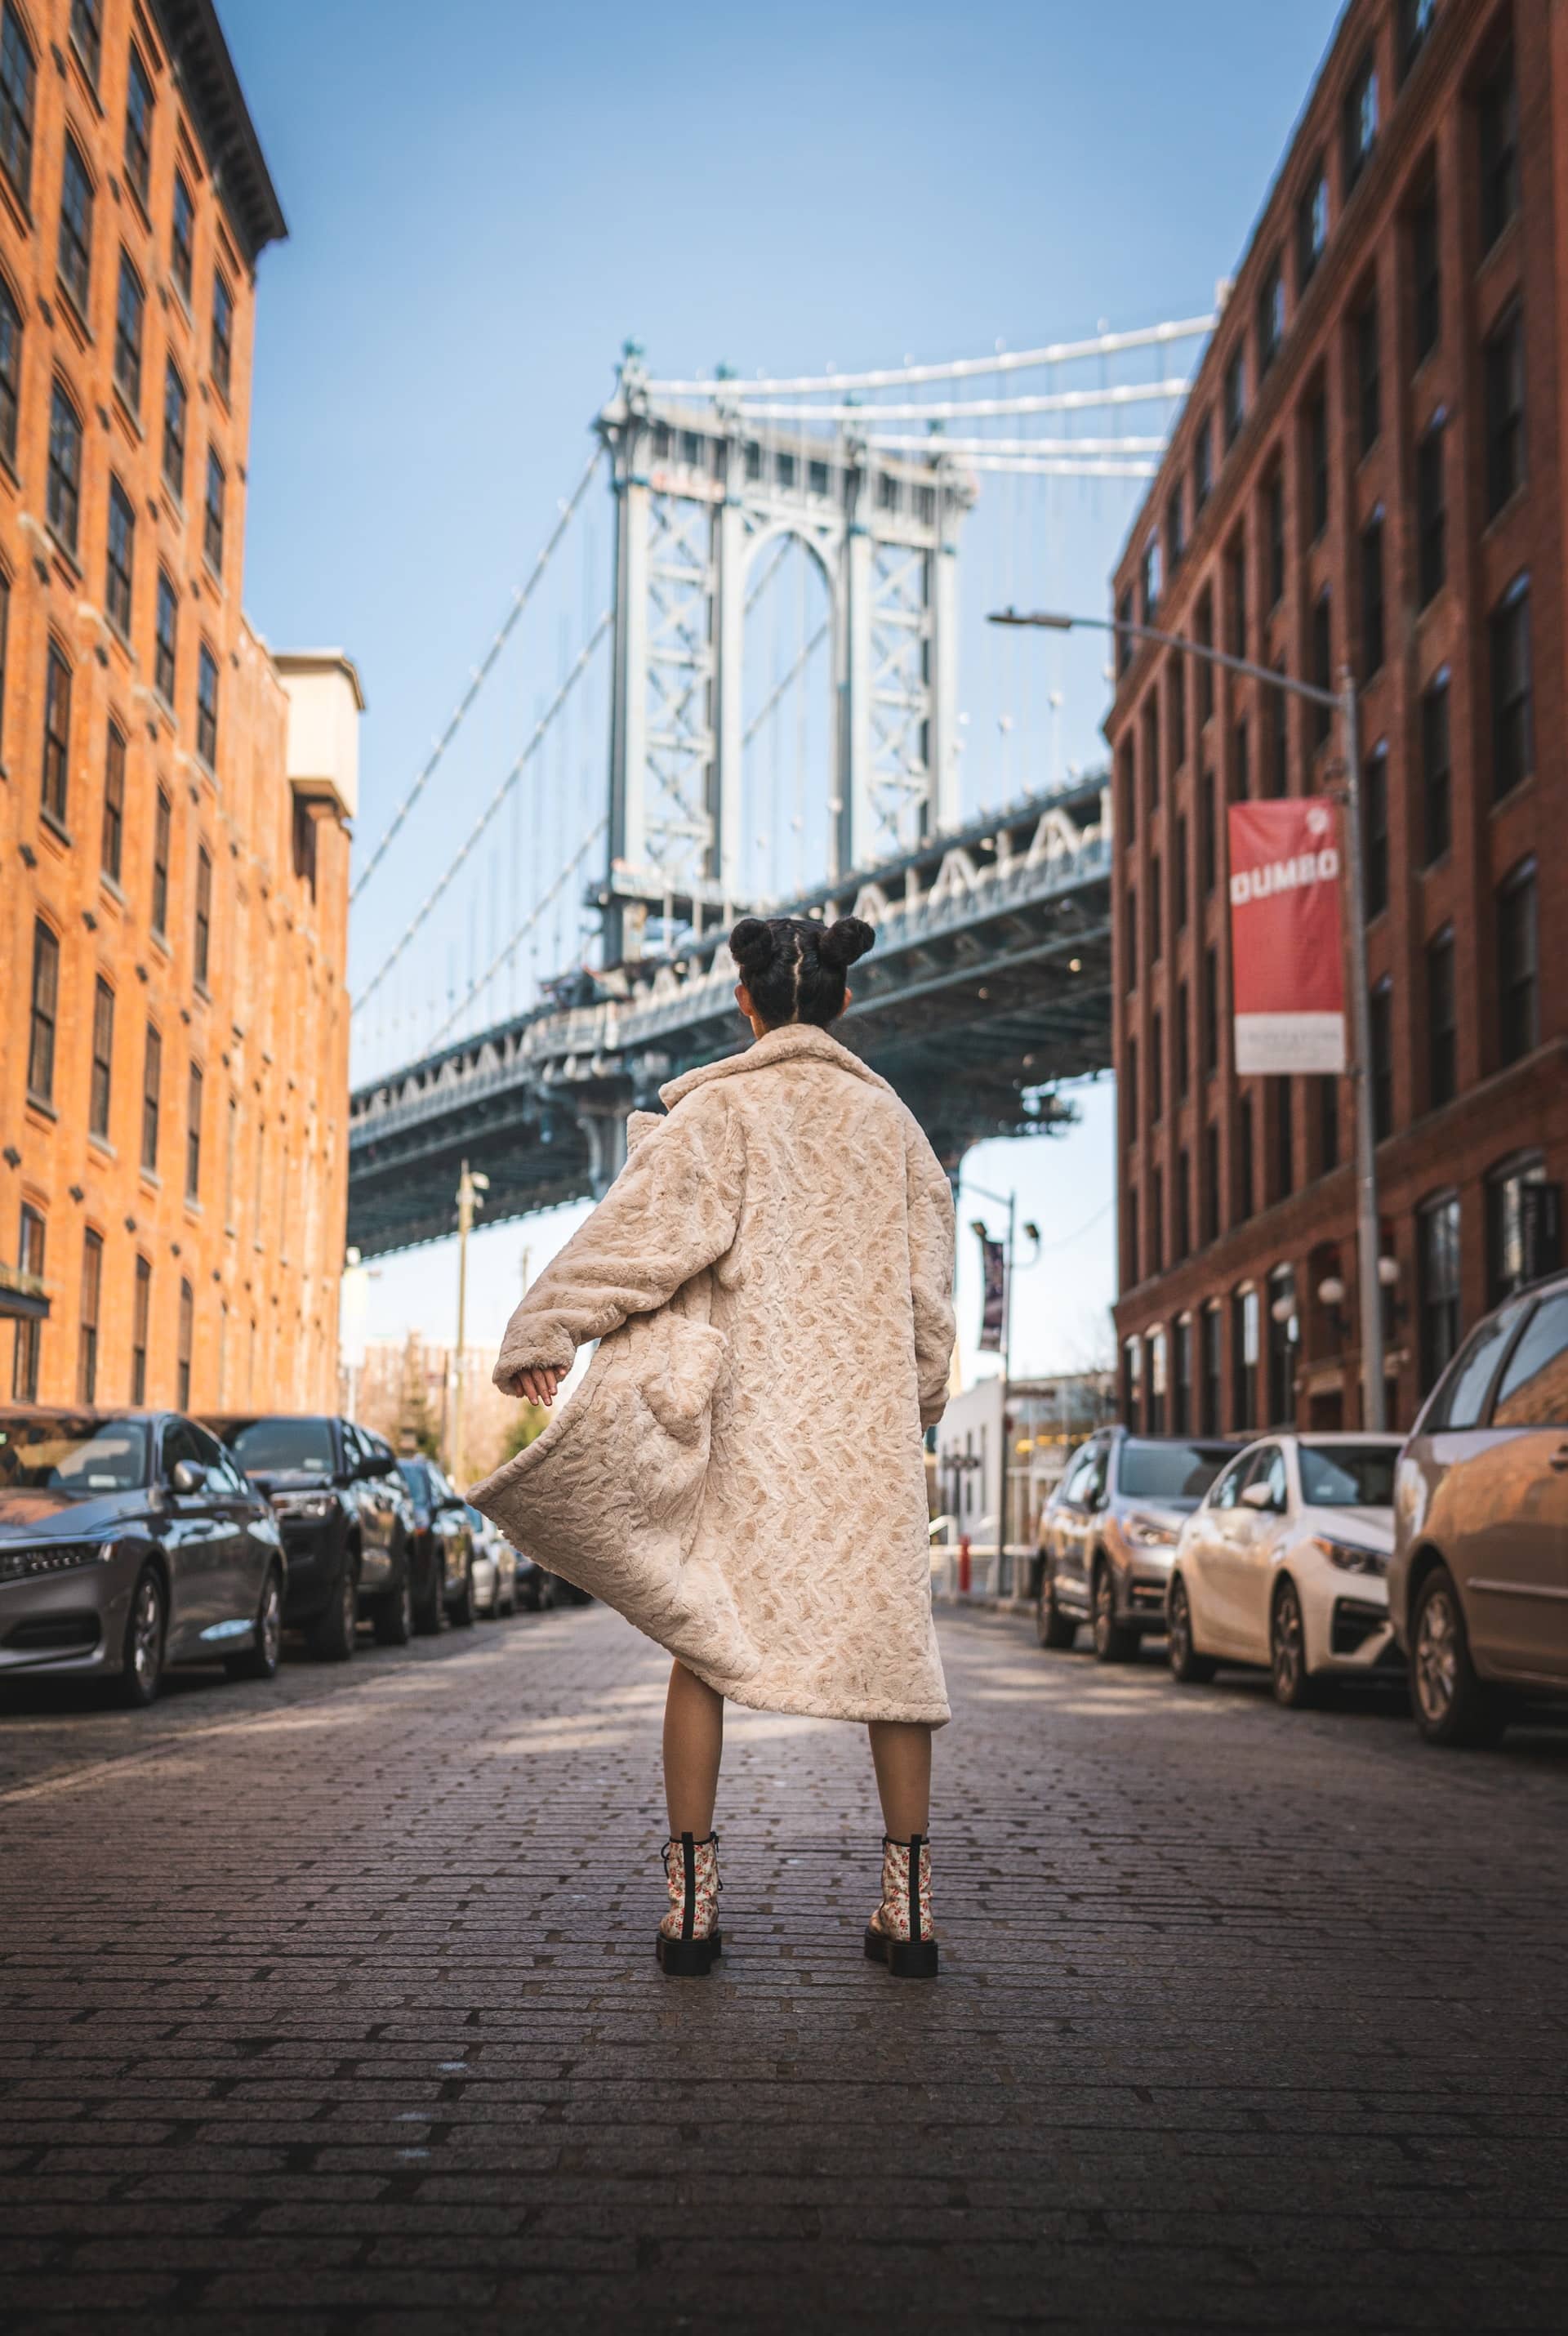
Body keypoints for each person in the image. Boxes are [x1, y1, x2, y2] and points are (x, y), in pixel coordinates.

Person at [493, 913, 956, 1977]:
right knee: (890, 1653)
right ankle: (911, 1909)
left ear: (743, 1005)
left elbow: (638, 1239)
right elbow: (929, 1307)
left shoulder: (721, 1114)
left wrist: (544, 1329)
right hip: (861, 1437)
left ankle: (693, 1906)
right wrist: (910, 1407)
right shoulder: (896, 1133)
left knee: (703, 1638)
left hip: (749, 1429)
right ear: (846, 1006)